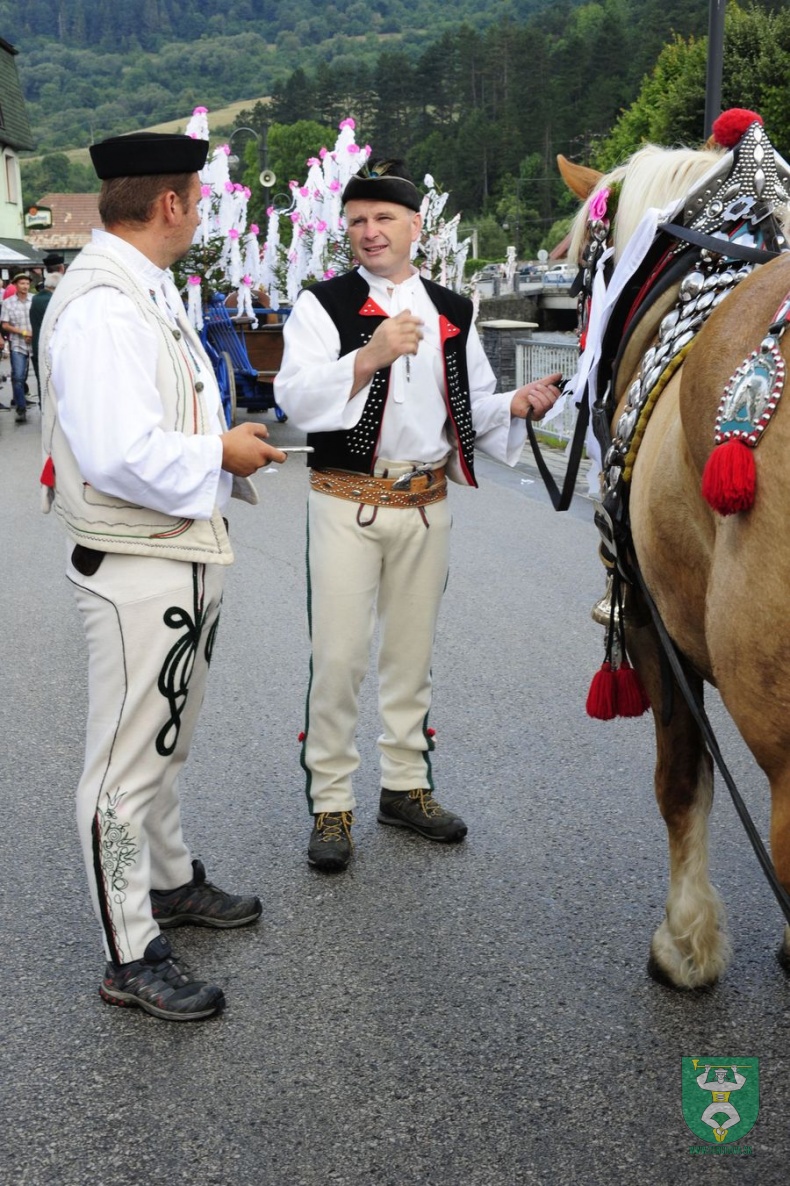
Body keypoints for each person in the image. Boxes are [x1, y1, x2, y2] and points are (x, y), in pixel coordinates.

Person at [40, 131, 287, 1021]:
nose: (201, 211)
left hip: (172, 553)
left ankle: (171, 880)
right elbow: (115, 454)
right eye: (198, 196)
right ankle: (129, 951)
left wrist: (217, 458)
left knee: (162, 740)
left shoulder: (140, 286)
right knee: (122, 769)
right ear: (172, 204)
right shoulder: (106, 304)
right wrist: (220, 452)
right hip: (138, 561)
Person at [274, 158, 561, 872]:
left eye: (383, 219)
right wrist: (367, 357)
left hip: (426, 503)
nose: (369, 233)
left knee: (410, 660)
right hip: (348, 500)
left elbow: (469, 407)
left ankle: (405, 787)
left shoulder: (453, 309)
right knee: (338, 660)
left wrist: (517, 407)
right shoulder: (322, 304)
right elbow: (296, 398)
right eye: (357, 222)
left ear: (415, 226)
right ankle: (332, 803)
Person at [30, 252, 65, 396]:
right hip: (55, 348)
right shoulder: (57, 299)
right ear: (62, 268)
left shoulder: (36, 299)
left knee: (43, 384)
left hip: (38, 346)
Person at [1, 271, 33, 422]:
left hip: (35, 343)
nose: (25, 286)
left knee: (39, 375)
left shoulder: (34, 300)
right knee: (18, 376)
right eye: (22, 283)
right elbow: (5, 324)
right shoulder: (8, 303)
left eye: (27, 283)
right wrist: (24, 332)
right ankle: (20, 407)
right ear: (15, 285)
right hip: (18, 344)